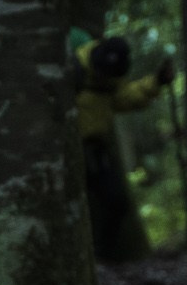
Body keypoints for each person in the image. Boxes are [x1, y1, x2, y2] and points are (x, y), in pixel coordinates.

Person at [74, 34, 174, 263]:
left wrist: (156, 81)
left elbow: (125, 97)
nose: (105, 77)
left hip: (95, 151)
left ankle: (102, 259)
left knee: (116, 202)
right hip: (70, 152)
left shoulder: (112, 77)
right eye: (103, 73)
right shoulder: (75, 66)